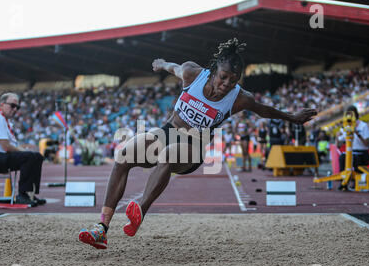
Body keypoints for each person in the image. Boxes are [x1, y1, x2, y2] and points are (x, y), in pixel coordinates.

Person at [79, 38, 316, 249]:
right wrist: (161, 63)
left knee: (170, 155)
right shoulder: (193, 73)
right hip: (168, 131)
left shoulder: (240, 98)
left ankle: (140, 209)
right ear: (213, 71)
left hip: (193, 145)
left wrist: (292, 117)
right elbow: (173, 67)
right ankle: (102, 228)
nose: (226, 84)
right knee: (123, 156)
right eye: (223, 77)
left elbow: (264, 110)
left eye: (233, 81)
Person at [0, 92, 46, 206]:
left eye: (17, 107)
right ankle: (22, 194)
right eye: (12, 106)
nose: (15, 109)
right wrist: (25, 152)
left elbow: (12, 145)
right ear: (2, 104)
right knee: (29, 157)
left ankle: (30, 193)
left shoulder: (4, 120)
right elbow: (6, 147)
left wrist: (26, 151)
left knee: (37, 156)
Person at [336, 105, 369, 174]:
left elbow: (367, 143)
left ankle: (357, 180)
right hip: (352, 152)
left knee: (355, 158)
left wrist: (358, 134)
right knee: (342, 157)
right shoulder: (347, 126)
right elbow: (338, 145)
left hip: (362, 153)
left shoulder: (363, 125)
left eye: (351, 114)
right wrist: (337, 137)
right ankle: (344, 180)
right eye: (348, 115)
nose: (349, 117)